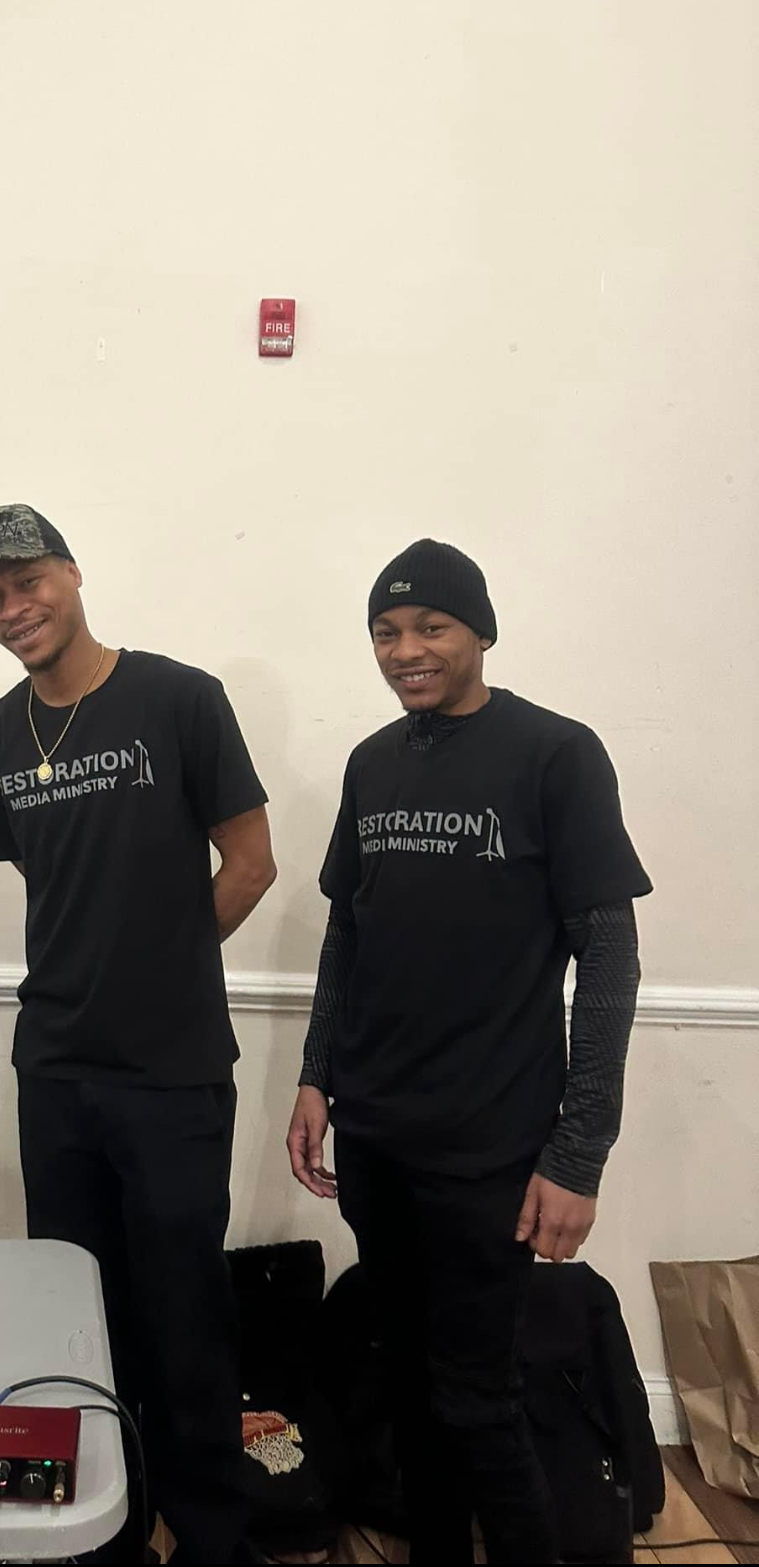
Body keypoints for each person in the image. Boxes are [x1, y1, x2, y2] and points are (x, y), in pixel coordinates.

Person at [287, 539, 652, 1566]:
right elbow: (345, 938)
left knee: (480, 1400)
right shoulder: (373, 760)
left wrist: (578, 1153)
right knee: (407, 1383)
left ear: (479, 631)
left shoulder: (555, 752)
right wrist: (317, 1077)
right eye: (386, 632)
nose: (406, 650)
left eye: (431, 627)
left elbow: (610, 961)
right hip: (375, 1134)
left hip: (490, 1145)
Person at [0, 504, 277, 1565]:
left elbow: (252, 861)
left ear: (74, 572)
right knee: (77, 1304)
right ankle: (109, 1524)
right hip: (53, 1067)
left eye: (27, 582)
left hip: (173, 1067)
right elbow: (57, 886)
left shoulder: (181, 699)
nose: (13, 610)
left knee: (185, 1310)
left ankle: (216, 1533)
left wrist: (171, 966)